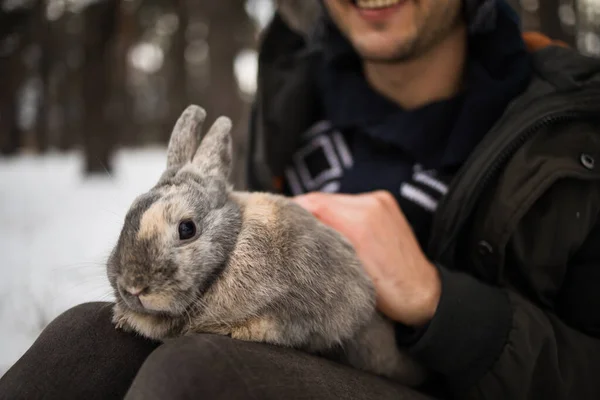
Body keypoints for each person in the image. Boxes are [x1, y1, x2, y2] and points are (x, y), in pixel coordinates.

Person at [2, 0, 600, 399]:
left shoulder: (569, 125)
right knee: (83, 338)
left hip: (437, 382)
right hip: (294, 359)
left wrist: (439, 301)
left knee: (197, 374)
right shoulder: (294, 80)